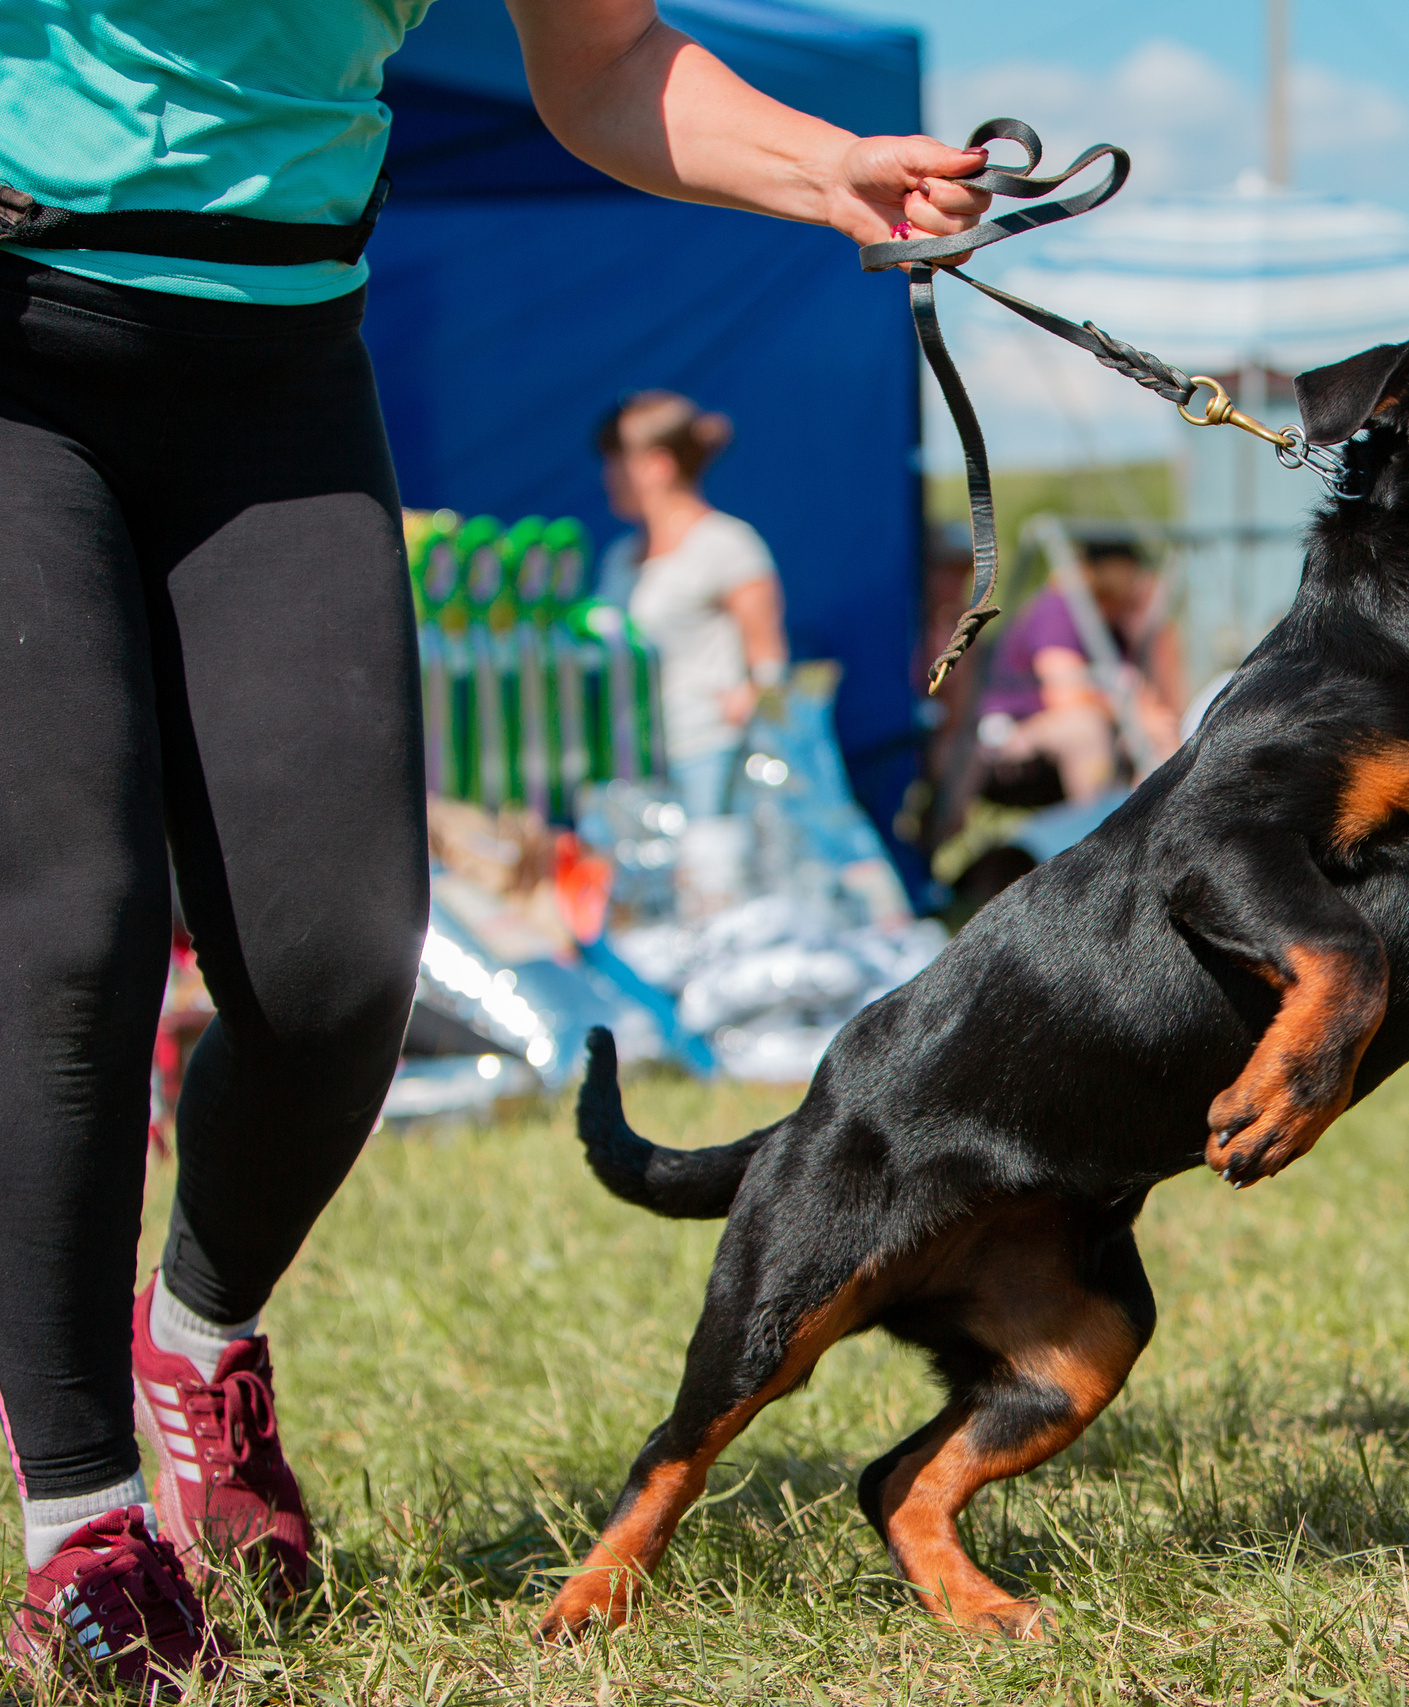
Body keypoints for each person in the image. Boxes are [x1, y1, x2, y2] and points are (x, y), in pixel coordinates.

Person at [0, 0, 988, 1686]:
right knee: (71, 934)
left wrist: (827, 164)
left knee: (338, 968)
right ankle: (82, 1529)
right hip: (20, 340)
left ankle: (200, 1337)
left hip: (276, 369)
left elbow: (602, 62)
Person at [593, 392, 786, 822]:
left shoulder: (728, 545)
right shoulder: (618, 558)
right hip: (630, 765)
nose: (608, 476)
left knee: (708, 881)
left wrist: (746, 708)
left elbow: (769, 663)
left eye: (618, 460)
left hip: (707, 758)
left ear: (659, 465)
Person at [976, 537, 1184, 806]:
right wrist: (1137, 715)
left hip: (1094, 727)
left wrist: (1156, 630)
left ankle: (1156, 827)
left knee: (1164, 737)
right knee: (1087, 729)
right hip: (1015, 729)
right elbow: (1066, 696)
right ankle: (1098, 833)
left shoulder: (1116, 623)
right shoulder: (1059, 609)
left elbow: (1166, 704)